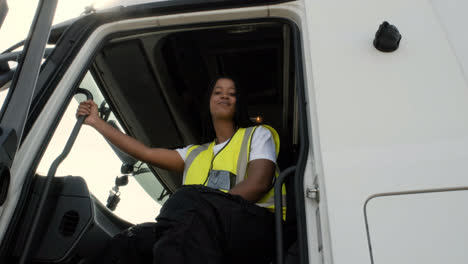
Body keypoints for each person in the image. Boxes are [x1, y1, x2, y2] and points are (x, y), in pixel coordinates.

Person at [76, 76, 283, 264]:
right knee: (134, 239)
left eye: (232, 93)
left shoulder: (257, 134)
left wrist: (206, 211)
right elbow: (145, 153)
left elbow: (259, 183)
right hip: (206, 230)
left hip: (258, 228)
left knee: (188, 201)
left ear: (239, 103)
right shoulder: (194, 153)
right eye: (218, 92)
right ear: (208, 102)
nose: (225, 96)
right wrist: (96, 122)